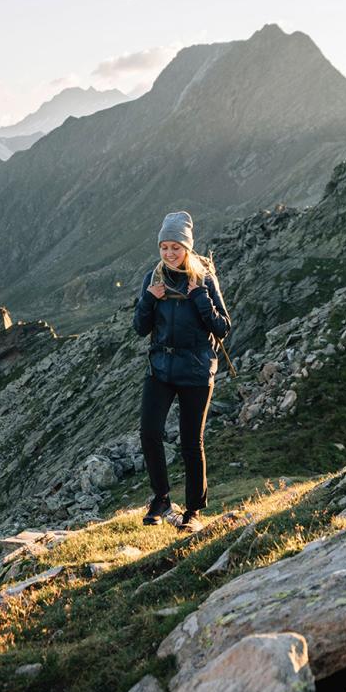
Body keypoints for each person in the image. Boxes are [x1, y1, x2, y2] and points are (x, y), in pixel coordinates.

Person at [131, 209, 232, 531]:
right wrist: (149, 299)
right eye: (164, 247)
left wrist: (200, 297)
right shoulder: (154, 278)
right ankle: (161, 498)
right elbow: (139, 327)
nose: (169, 253)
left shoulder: (203, 279)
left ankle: (193, 511)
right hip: (160, 366)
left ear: (187, 248)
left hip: (197, 370)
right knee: (149, 433)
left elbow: (222, 326)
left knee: (191, 442)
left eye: (175, 247)